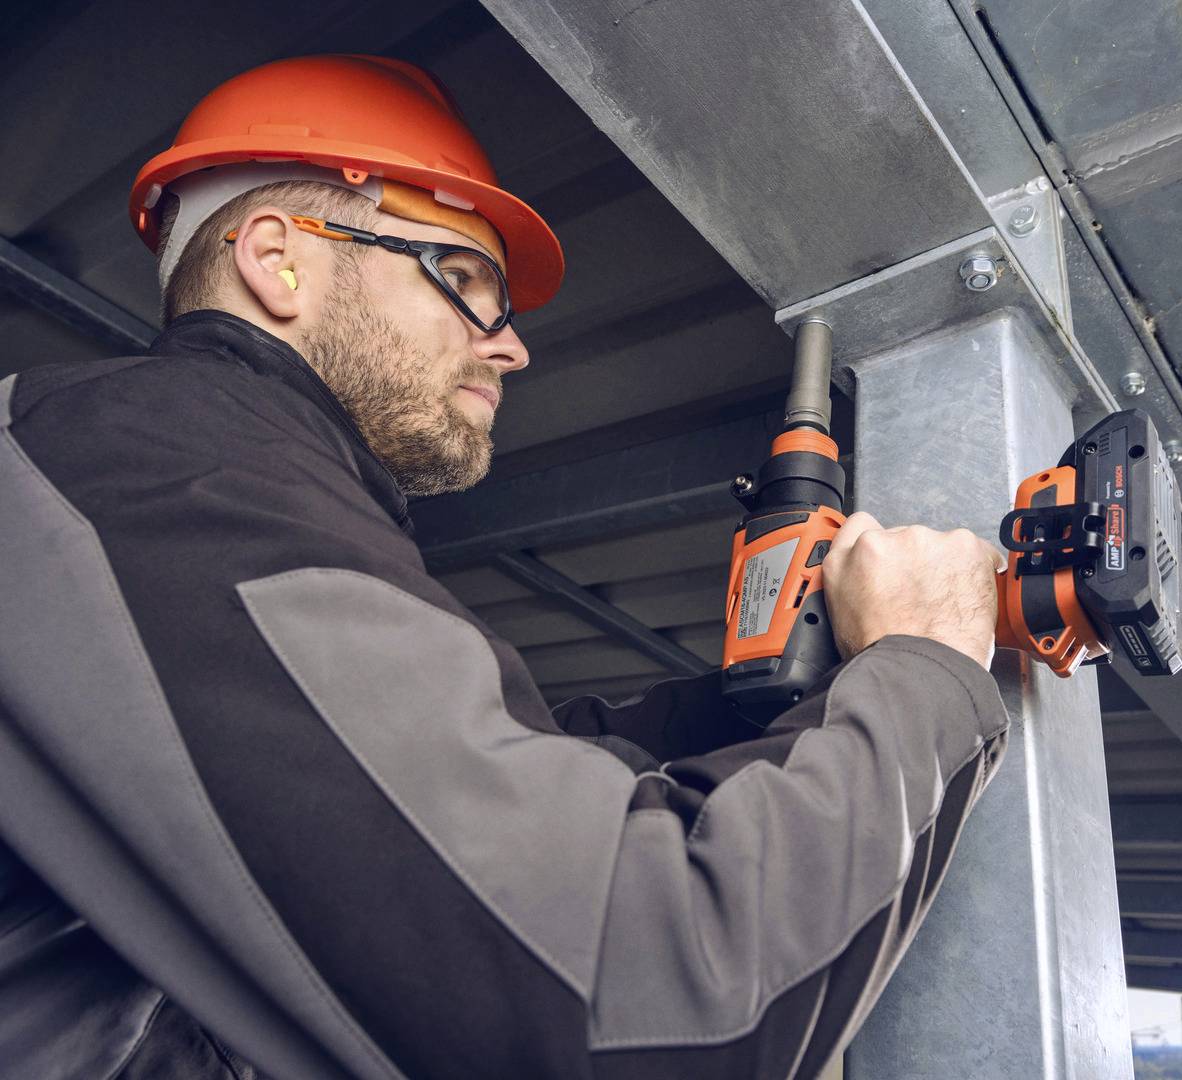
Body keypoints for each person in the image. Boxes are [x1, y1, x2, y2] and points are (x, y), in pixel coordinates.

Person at [0, 55, 1009, 1079]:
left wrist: (763, 699)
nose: (511, 347)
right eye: (466, 281)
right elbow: (646, 1003)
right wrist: (924, 671)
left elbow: (491, 779)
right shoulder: (162, 464)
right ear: (278, 259)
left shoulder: (166, 492)